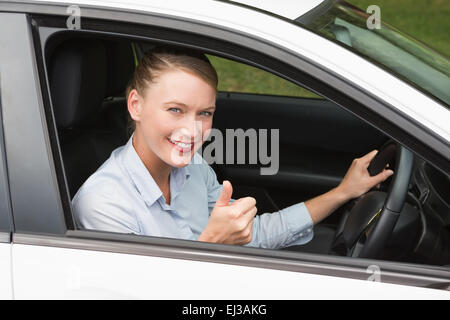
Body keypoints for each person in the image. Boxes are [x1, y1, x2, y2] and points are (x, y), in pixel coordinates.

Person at [72, 46, 393, 249]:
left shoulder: (194, 166)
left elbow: (254, 234)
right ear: (136, 106)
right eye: (175, 110)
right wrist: (211, 243)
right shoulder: (103, 207)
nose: (192, 130)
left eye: (204, 114)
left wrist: (342, 192)